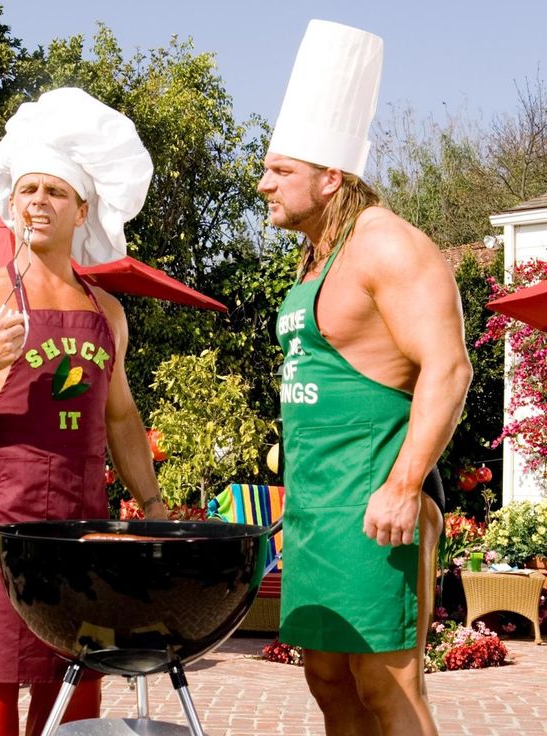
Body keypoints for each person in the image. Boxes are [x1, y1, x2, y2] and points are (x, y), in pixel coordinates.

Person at [0, 87, 168, 736]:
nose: (39, 203)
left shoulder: (107, 312)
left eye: (55, 192)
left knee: (74, 698)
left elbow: (121, 420)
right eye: (28, 190)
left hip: (82, 521)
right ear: (10, 203)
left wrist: (155, 510)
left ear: (83, 209)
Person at [257, 20, 472, 736]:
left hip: (379, 497)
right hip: (318, 505)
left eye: (279, 170)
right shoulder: (315, 257)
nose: (263, 184)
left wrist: (406, 485)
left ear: (331, 175)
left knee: (388, 684)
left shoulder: (388, 244)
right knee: (323, 674)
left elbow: (449, 366)